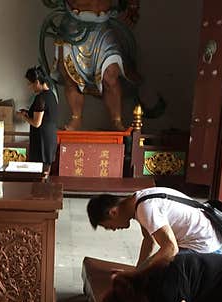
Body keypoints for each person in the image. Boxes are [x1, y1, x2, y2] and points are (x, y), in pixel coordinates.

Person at [39, 0, 142, 131]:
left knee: (110, 74)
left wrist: (132, 5)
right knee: (70, 76)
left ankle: (116, 120)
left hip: (102, 25)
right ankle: (76, 118)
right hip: (73, 24)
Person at [87, 188, 222, 271]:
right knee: (152, 271)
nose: (113, 230)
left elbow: (170, 248)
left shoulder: (145, 209)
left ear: (113, 213)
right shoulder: (138, 200)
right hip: (206, 239)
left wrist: (140, 273)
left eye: (108, 226)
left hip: (205, 248)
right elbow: (148, 240)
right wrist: (137, 272)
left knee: (160, 276)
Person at [19, 66, 59, 176]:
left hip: (41, 140)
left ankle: (39, 193)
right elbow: (46, 116)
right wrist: (28, 113)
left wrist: (24, 117)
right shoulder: (51, 95)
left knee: (39, 174)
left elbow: (36, 123)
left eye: (30, 83)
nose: (29, 87)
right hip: (50, 138)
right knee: (45, 172)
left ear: (37, 82)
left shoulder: (40, 98)